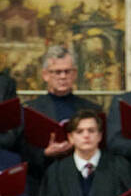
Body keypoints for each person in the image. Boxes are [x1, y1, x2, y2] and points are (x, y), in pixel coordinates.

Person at [22, 46, 100, 180]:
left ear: (74, 74)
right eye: (57, 72)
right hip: (43, 176)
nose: (63, 76)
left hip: (82, 177)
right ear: (45, 75)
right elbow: (21, 150)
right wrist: (45, 153)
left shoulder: (92, 109)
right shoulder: (30, 109)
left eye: (67, 71)